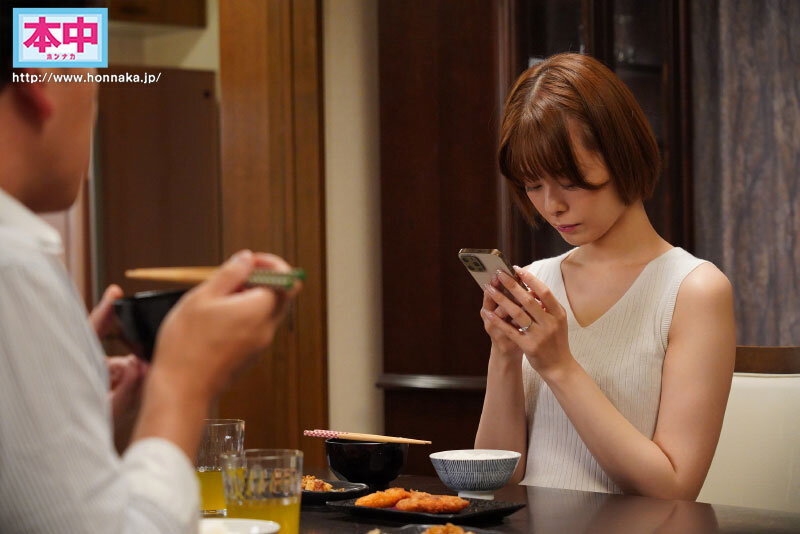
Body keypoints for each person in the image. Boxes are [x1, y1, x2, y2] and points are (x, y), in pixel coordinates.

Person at [0, 1, 301, 531]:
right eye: (92, 79)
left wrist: (69, 405)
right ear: (39, 82)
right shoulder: (14, 264)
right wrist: (182, 382)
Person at [474, 53, 736, 500]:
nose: (552, 205)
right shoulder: (536, 281)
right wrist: (503, 356)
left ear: (621, 154)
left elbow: (673, 491)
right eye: (533, 185)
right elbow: (496, 481)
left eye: (568, 180)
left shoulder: (694, 290)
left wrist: (559, 366)